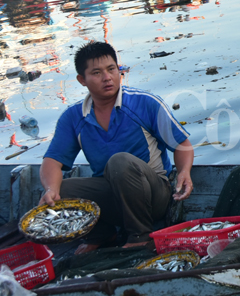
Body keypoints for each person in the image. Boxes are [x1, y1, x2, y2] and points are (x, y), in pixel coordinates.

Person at [40, 41, 194, 255]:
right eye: (96, 72)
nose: (107, 77)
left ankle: (139, 235)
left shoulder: (144, 104)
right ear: (82, 80)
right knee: (62, 191)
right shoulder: (73, 117)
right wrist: (50, 189)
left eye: (112, 69)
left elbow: (182, 145)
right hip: (113, 196)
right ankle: (102, 233)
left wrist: (184, 172)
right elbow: (52, 161)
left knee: (120, 162)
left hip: (154, 196)